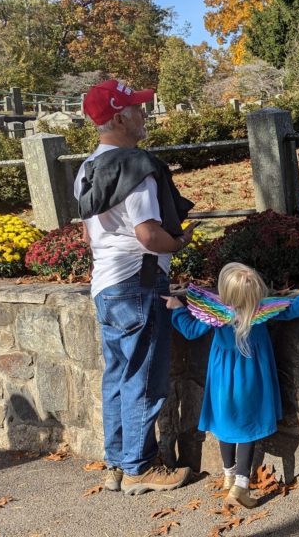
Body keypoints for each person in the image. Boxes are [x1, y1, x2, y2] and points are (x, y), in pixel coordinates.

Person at [75, 80, 196, 495]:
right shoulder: (136, 168)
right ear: (119, 117)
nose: (145, 115)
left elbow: (91, 237)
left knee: (117, 375)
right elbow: (148, 235)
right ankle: (141, 467)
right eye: (138, 109)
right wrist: (180, 242)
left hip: (105, 284)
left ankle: (116, 462)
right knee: (144, 376)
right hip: (138, 282)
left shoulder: (87, 168)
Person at [164, 263, 299, 508]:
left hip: (223, 380)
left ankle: (229, 476)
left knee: (225, 424)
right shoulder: (261, 310)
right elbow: (295, 308)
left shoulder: (217, 314)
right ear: (256, 292)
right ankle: (240, 487)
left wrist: (177, 308)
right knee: (247, 428)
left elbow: (190, 330)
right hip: (252, 380)